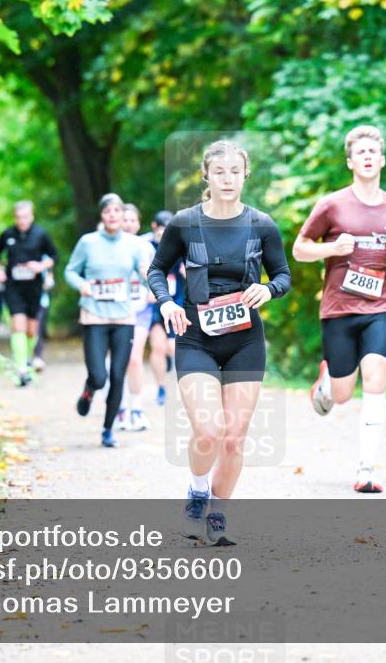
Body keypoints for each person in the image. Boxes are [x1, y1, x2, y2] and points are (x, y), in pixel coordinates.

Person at [148, 140, 291, 545]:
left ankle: (218, 516)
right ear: (206, 176)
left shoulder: (261, 223)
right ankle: (197, 490)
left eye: (234, 171)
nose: (227, 179)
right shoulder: (184, 223)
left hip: (246, 339)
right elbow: (157, 270)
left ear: (245, 175)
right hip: (196, 337)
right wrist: (165, 304)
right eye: (219, 172)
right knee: (208, 430)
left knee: (234, 436)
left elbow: (282, 274)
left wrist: (269, 290)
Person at [292, 125, 386, 494]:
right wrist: (331, 249)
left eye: (373, 152)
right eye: (360, 152)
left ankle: (366, 469)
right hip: (338, 309)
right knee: (344, 393)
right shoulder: (332, 205)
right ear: (350, 162)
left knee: (377, 379)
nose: (367, 157)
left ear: (381, 160)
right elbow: (300, 249)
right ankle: (327, 385)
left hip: (380, 307)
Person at [65, 193, 150, 448]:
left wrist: (152, 279)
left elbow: (144, 272)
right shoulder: (88, 242)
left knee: (117, 374)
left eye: (117, 211)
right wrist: (82, 286)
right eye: (107, 211)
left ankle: (108, 429)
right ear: (102, 216)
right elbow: (70, 270)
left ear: (122, 215)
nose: (112, 215)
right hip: (94, 315)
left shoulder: (133, 245)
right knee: (99, 375)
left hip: (124, 316)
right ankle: (89, 390)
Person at [0, 201, 58, 386]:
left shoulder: (41, 234)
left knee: (31, 330)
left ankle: (27, 361)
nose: (22, 220)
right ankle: (21, 369)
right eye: (19, 217)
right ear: (15, 217)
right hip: (13, 287)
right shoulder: (8, 234)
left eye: (25, 217)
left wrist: (41, 266)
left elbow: (54, 256)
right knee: (17, 326)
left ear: (32, 216)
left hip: (34, 287)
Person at [115, 203, 159, 431]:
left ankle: (137, 409)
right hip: (115, 310)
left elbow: (155, 273)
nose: (129, 224)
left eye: (133, 220)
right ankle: (119, 409)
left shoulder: (146, 246)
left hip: (140, 308)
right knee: (117, 361)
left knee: (134, 358)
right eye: (125, 220)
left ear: (138, 223)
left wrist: (153, 289)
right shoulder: (111, 245)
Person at [147, 211, 183, 406]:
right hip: (153, 304)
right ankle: (161, 387)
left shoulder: (179, 244)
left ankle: (180, 383)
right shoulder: (146, 246)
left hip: (175, 301)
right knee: (158, 347)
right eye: (162, 229)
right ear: (155, 227)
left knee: (172, 348)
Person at [30, 255, 55, 372]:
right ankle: (26, 356)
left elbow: (50, 278)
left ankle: (37, 356)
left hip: (41, 301)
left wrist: (47, 283)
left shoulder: (45, 258)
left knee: (38, 329)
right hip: (22, 300)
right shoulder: (18, 254)